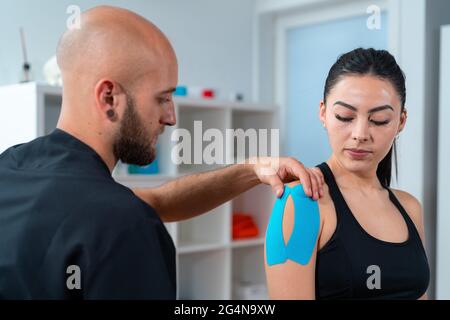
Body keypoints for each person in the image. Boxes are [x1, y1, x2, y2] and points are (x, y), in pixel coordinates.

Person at [0, 6, 323, 300]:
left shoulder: (12, 168)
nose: (171, 117)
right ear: (109, 97)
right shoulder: (123, 225)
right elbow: (125, 212)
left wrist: (251, 170)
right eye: (162, 98)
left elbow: (153, 202)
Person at [265, 48, 430, 300]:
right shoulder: (301, 203)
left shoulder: (410, 208)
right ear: (323, 113)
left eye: (380, 120)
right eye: (345, 116)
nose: (360, 133)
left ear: (401, 122)